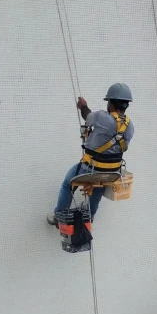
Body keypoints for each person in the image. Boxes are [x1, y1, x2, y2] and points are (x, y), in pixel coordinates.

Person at [47, 83, 134, 225]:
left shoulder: (101, 117)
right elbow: (123, 148)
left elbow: (87, 116)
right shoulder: (130, 126)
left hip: (89, 168)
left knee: (68, 183)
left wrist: (83, 105)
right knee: (99, 185)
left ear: (111, 103)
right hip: (113, 172)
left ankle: (59, 216)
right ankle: (89, 217)